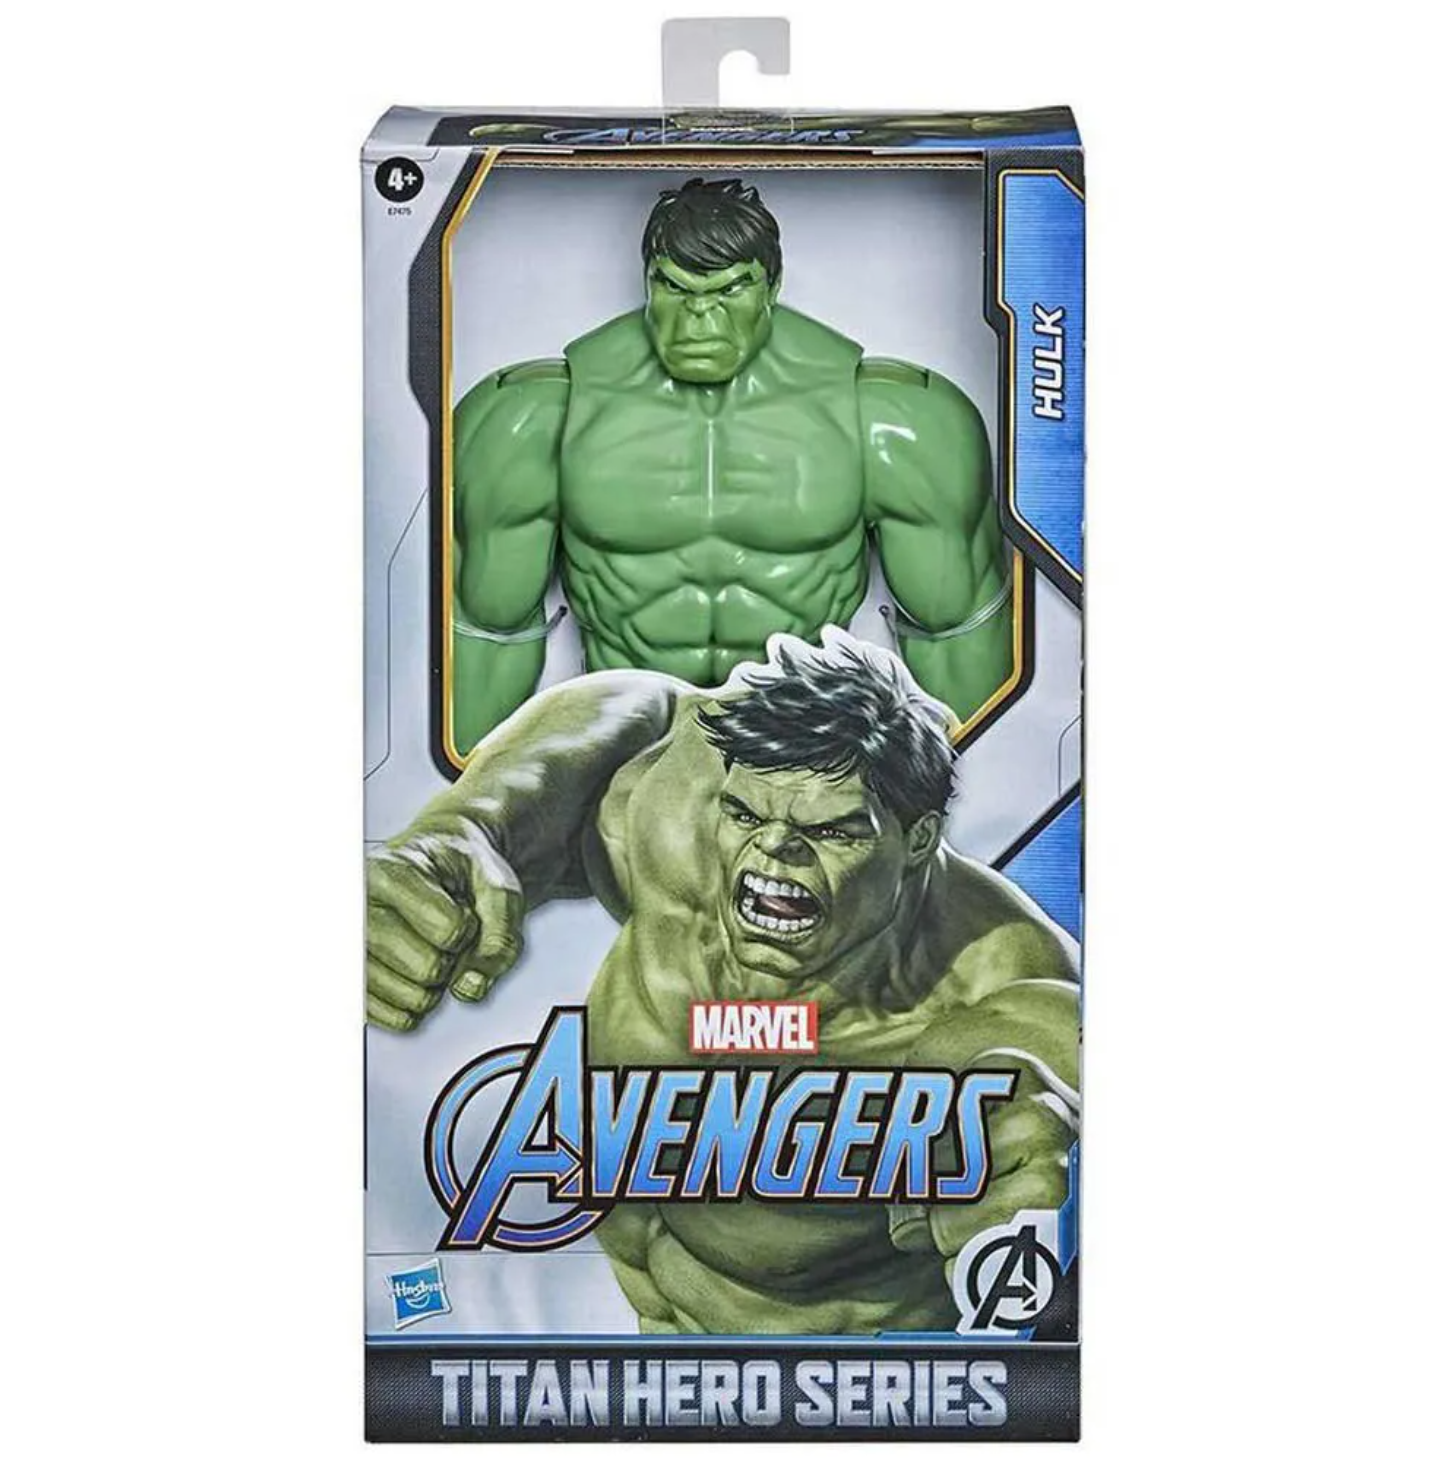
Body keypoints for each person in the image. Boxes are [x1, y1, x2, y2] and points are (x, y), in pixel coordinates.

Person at [368, 634, 1077, 1333]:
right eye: (745, 814)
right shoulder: (684, 824)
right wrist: (466, 826)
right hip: (641, 1352)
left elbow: (1049, 1066)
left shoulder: (995, 974)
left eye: (832, 832)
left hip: (839, 1382)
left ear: (917, 839)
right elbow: (644, 708)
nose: (775, 847)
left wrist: (1035, 1186)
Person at [451, 179, 1011, 751]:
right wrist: (475, 791)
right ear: (649, 281)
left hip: (803, 750)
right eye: (675, 288)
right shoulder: (536, 420)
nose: (700, 319)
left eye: (730, 290)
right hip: (628, 748)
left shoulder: (893, 421)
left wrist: (970, 794)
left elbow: (956, 629)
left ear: (772, 286)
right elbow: (488, 632)